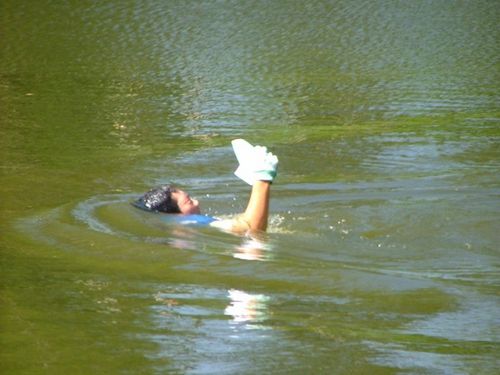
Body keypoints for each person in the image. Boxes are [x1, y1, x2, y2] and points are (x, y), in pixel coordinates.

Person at [133, 139, 278, 234]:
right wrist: (262, 178)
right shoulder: (192, 221)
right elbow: (252, 229)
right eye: (188, 202)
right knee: (253, 249)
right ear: (176, 215)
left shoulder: (179, 224)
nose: (197, 202)